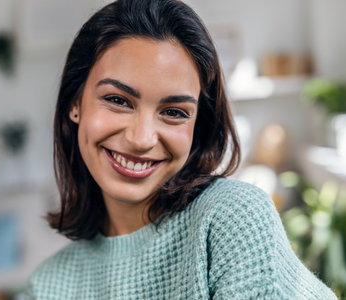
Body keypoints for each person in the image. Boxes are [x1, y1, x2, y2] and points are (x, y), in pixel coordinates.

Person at [25, 0, 337, 299]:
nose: (142, 138)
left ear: (197, 125)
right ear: (75, 102)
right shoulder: (50, 285)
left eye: (174, 111)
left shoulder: (231, 219)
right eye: (118, 100)